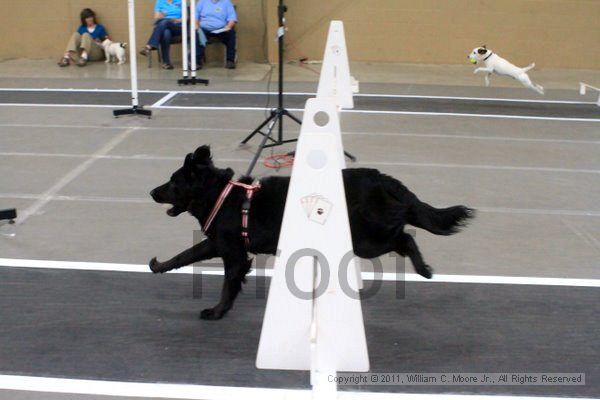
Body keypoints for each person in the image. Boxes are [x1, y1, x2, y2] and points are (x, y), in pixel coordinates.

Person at [139, 0, 184, 70]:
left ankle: (149, 46)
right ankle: (166, 63)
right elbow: (156, 17)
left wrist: (177, 20)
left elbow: (186, 18)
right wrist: (162, 14)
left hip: (177, 26)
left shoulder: (181, 1)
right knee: (166, 33)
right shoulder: (160, 1)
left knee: (165, 21)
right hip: (163, 26)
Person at [196, 0, 237, 69]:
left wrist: (228, 26)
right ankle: (197, 62)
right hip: (204, 28)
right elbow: (195, 15)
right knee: (196, 34)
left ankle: (230, 61)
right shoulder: (202, 1)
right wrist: (196, 26)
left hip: (221, 29)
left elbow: (232, 18)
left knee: (231, 33)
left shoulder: (226, 2)